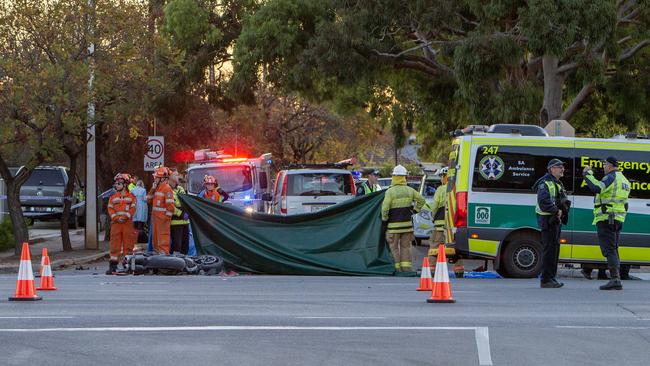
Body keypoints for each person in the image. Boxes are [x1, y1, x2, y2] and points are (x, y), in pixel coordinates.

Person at [583, 156, 631, 290]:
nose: (604, 167)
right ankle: (616, 278)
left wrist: (587, 174)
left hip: (606, 218)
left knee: (609, 249)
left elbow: (597, 187)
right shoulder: (624, 180)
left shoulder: (611, 177)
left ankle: (615, 280)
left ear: (610, 165)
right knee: (614, 249)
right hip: (617, 219)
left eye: (604, 165)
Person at [381, 164, 426, 272]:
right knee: (406, 247)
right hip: (407, 227)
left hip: (393, 227)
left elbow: (385, 208)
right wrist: (415, 210)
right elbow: (422, 200)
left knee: (394, 248)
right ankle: (406, 269)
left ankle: (397, 269)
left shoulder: (390, 192)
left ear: (394, 177)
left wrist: (384, 220)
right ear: (404, 177)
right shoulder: (410, 190)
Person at [533, 158, 569, 288]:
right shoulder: (545, 183)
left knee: (554, 250)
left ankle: (551, 278)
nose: (562, 169)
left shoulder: (556, 183)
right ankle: (546, 279)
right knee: (549, 251)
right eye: (560, 167)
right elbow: (544, 202)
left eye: (562, 167)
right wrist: (556, 210)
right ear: (552, 169)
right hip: (548, 221)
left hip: (554, 221)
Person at [428, 167, 464, 277]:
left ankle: (432, 271)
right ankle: (459, 271)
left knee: (434, 247)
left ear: (445, 176)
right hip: (453, 227)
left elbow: (435, 206)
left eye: (441, 176)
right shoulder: (457, 188)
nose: (440, 179)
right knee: (455, 249)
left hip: (439, 225)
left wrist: (432, 217)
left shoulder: (440, 189)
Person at [106, 173, 136, 274]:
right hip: (116, 224)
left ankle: (127, 265)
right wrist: (116, 218)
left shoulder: (131, 197)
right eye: (116, 183)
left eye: (119, 183)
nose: (116, 185)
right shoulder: (113, 197)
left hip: (127, 224)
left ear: (125, 185)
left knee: (128, 245)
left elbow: (133, 208)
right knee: (114, 245)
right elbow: (110, 209)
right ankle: (113, 266)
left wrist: (125, 217)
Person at [147, 166, 175, 255]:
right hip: (155, 219)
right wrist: (152, 189)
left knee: (163, 241)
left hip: (163, 221)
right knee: (155, 241)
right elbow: (148, 200)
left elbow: (170, 207)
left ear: (162, 178)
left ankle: (164, 261)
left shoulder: (167, 188)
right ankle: (156, 259)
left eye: (156, 177)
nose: (154, 179)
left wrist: (166, 219)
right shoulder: (157, 188)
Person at [169, 170, 190, 254]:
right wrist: (181, 213)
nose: (178, 177)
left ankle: (185, 264)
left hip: (185, 222)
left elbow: (186, 202)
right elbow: (170, 206)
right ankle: (176, 264)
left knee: (185, 246)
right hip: (175, 223)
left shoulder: (180, 188)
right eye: (176, 175)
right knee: (177, 246)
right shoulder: (168, 190)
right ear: (170, 177)